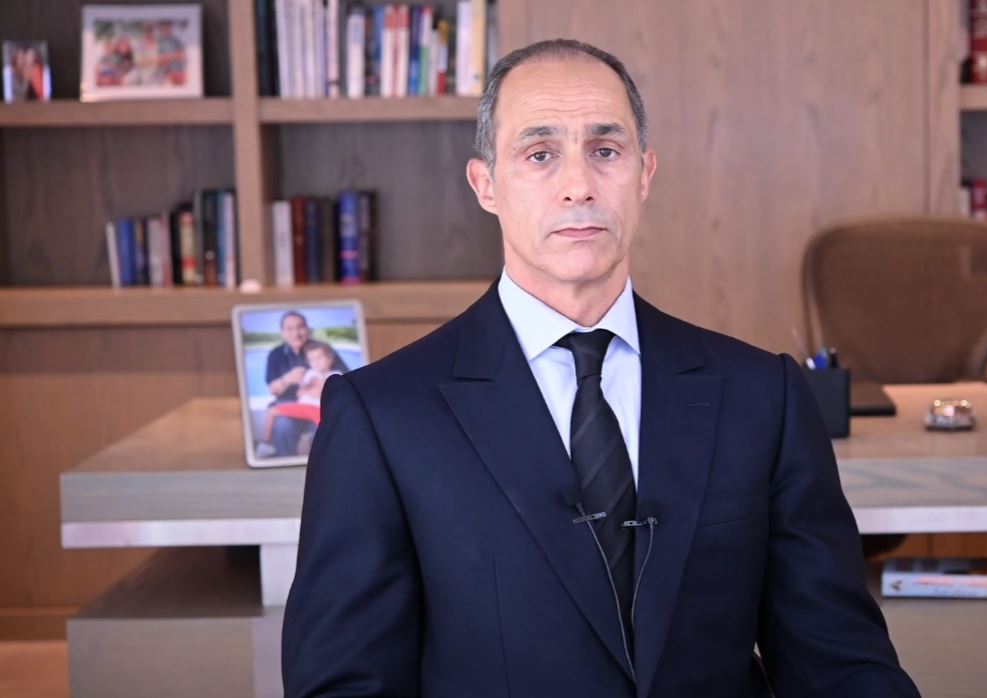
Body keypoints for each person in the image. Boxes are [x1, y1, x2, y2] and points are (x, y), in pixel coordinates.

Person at [282, 39, 920, 697]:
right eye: (540, 154)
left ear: (645, 174)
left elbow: (840, 661)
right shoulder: (381, 416)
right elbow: (344, 683)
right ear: (485, 184)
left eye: (606, 151)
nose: (579, 186)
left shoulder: (764, 396)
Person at [263, 311, 348, 457]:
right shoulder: (276, 354)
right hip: (291, 405)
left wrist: (324, 391)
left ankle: (324, 466)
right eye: (289, 328)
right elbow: (273, 390)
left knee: (324, 428)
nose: (296, 333)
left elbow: (346, 382)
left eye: (300, 327)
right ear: (282, 332)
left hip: (321, 407)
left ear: (307, 328)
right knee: (283, 426)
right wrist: (287, 379)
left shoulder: (322, 349)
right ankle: (283, 462)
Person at [256, 340, 341, 459]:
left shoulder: (335, 375)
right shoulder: (309, 374)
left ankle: (330, 456)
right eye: (312, 360)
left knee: (327, 431)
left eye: (319, 358)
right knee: (272, 411)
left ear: (330, 359)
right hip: (302, 408)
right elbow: (300, 393)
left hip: (319, 410)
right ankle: (266, 444)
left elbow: (331, 395)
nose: (316, 363)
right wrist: (308, 389)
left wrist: (317, 387)